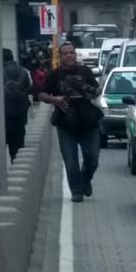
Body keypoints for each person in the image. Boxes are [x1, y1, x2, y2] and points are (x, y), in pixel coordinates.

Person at [39, 42, 101, 202]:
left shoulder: (85, 71)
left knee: (92, 158)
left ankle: (85, 180)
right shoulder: (54, 75)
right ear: (60, 56)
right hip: (66, 123)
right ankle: (77, 190)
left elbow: (96, 91)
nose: (69, 55)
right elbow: (41, 94)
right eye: (65, 53)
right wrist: (55, 99)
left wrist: (89, 90)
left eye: (71, 53)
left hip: (88, 122)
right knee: (70, 160)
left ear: (75, 54)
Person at [0, 48, 33, 191]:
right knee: (16, 150)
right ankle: (18, 181)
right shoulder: (25, 72)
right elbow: (30, 88)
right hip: (19, 118)